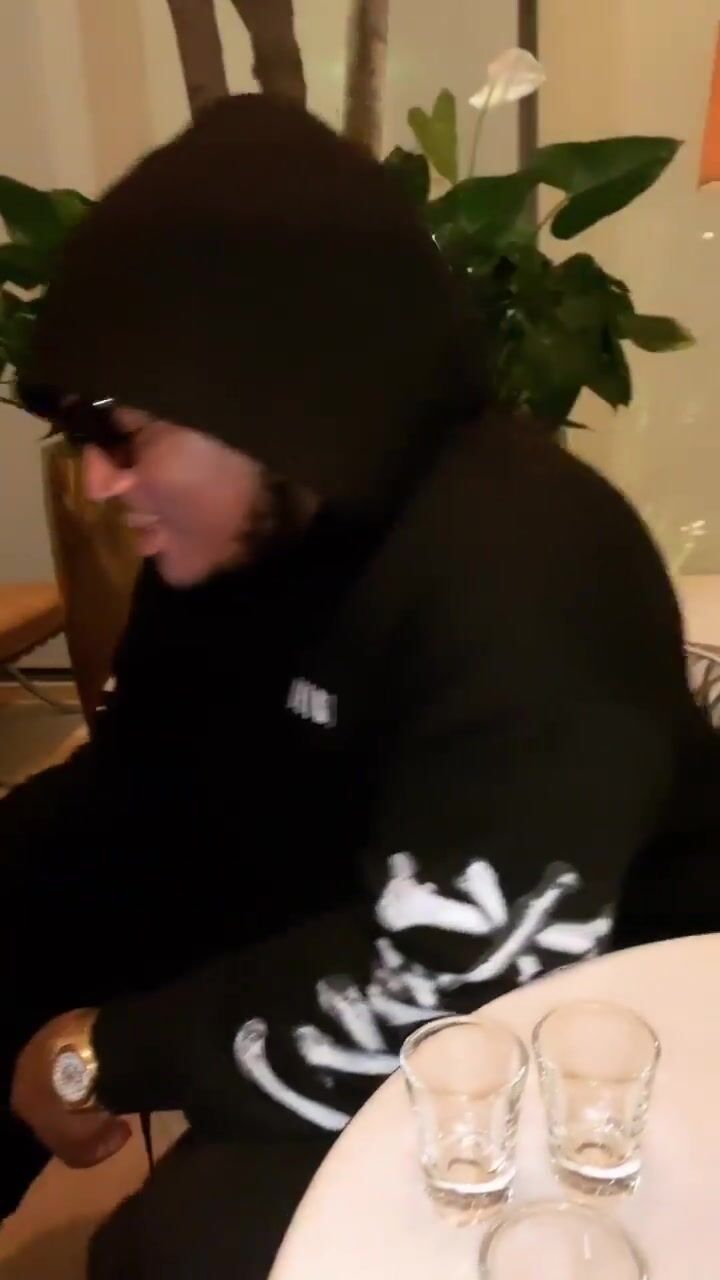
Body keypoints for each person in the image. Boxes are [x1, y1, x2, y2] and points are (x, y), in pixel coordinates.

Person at [3, 94, 718, 1277]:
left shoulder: (529, 574)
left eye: (124, 433)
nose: (96, 481)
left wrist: (109, 1052)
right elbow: (142, 786)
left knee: (180, 1249)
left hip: (585, 1002)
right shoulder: (242, 533)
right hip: (336, 899)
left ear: (270, 402)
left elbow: (446, 978)